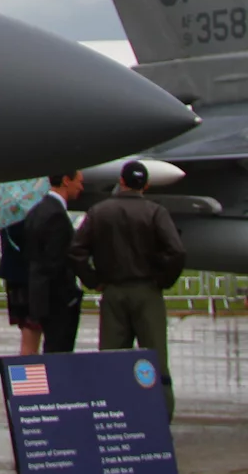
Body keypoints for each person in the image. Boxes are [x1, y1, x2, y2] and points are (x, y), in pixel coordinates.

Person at [71, 161, 187, 419]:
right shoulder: (155, 212)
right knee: (155, 358)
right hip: (147, 292)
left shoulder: (99, 212)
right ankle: (161, 415)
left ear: (121, 181)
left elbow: (76, 250)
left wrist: (93, 280)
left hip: (113, 293)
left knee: (111, 360)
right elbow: (177, 251)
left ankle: (112, 414)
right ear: (145, 185)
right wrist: (163, 280)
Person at [23, 171, 85, 353]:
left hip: (40, 296)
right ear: (66, 180)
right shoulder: (56, 215)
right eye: (78, 182)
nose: (81, 187)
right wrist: (71, 296)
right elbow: (55, 262)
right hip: (57, 301)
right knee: (59, 352)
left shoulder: (37, 210)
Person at [0, 218, 36, 354]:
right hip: (24, 276)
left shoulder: (7, 214)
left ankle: (27, 369)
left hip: (15, 274)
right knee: (30, 328)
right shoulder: (21, 218)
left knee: (28, 329)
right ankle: (26, 372)